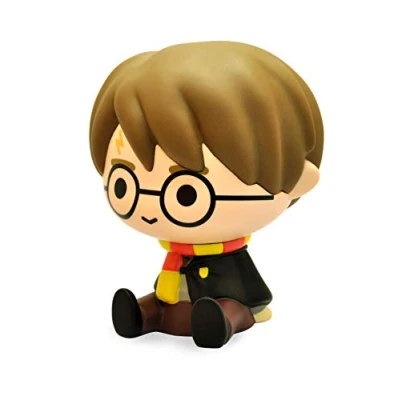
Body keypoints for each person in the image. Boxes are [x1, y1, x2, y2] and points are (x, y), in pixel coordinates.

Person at [89, 41, 324, 348]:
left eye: (186, 194)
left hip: (228, 295)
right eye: (124, 184)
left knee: (233, 306)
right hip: (174, 295)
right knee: (162, 302)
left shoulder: (229, 259)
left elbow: (254, 294)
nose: (147, 206)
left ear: (297, 180)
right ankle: (141, 315)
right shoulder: (174, 256)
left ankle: (221, 323)